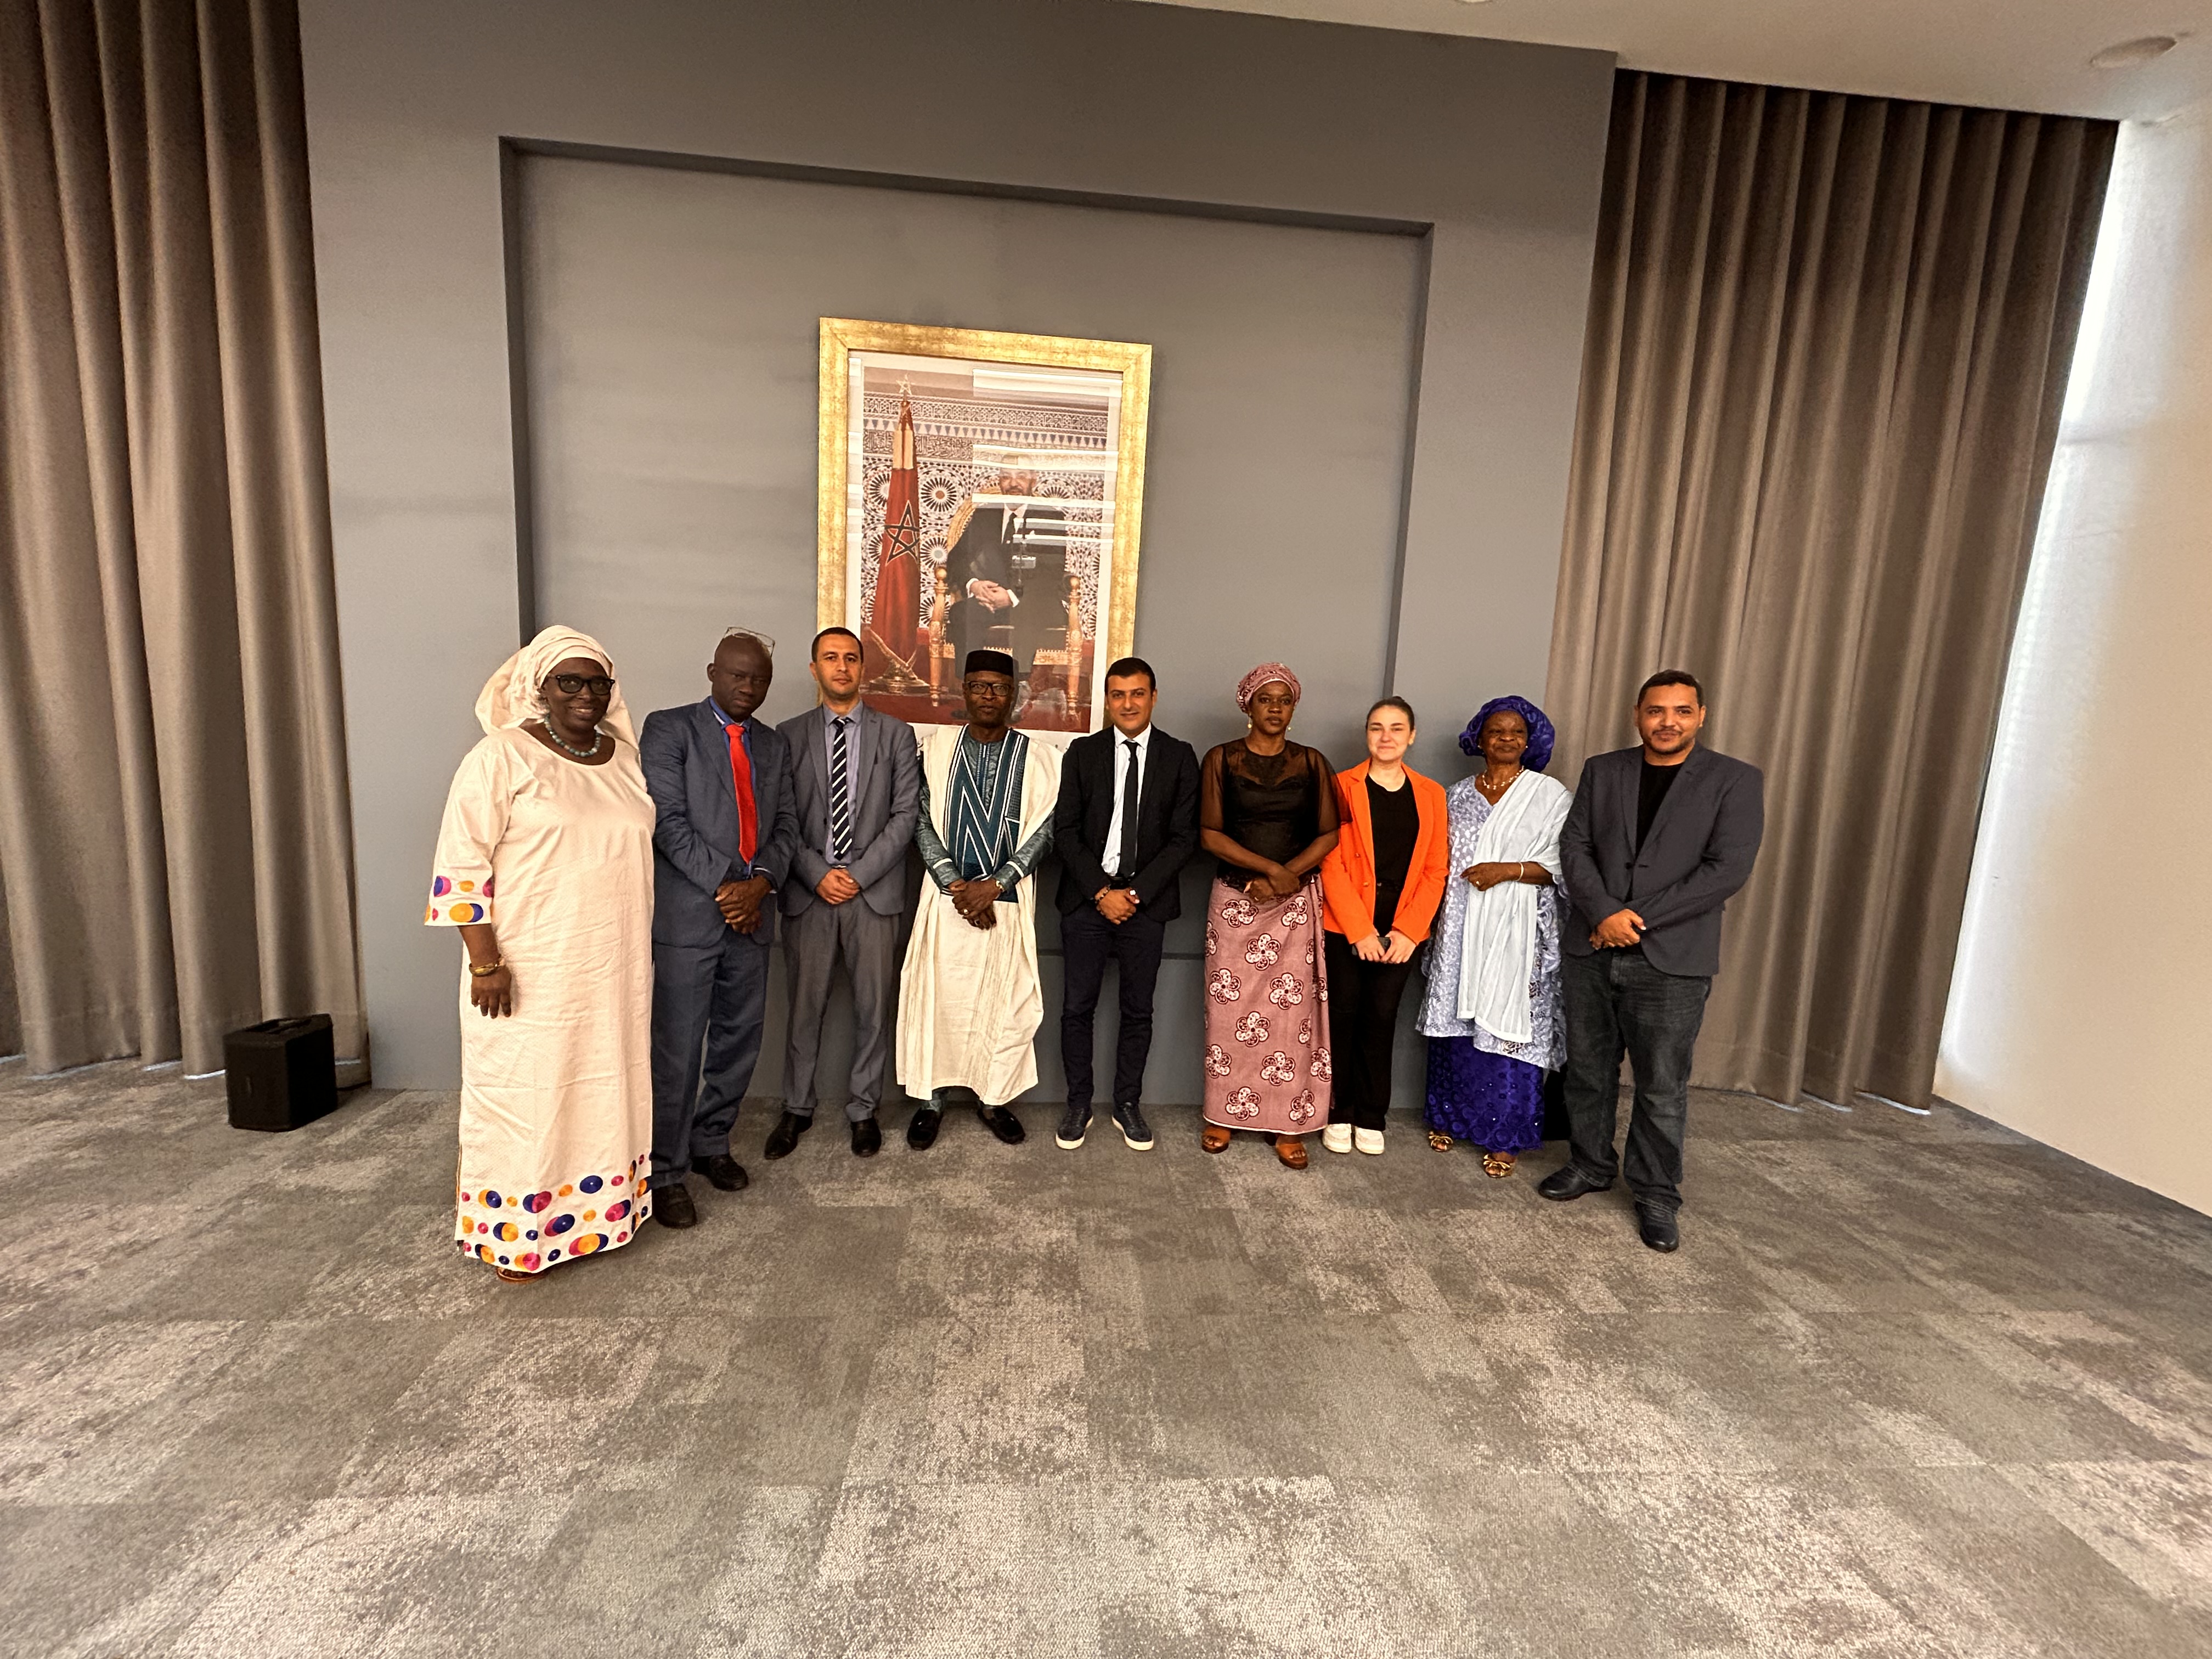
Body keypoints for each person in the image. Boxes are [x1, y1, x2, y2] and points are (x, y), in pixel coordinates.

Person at [428, 626, 655, 1282]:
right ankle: (518, 1238)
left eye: (598, 683)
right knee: (530, 1098)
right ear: (539, 686)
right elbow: (460, 867)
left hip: (612, 969)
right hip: (530, 969)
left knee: (605, 1089)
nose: (586, 694)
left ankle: (597, 1220)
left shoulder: (623, 758)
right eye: (570, 681)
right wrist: (485, 963)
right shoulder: (501, 757)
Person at [1542, 670, 1765, 1252]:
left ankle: (1656, 1193)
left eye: (1682, 711)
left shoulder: (1735, 780)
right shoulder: (1603, 770)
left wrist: (1631, 920)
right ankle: (1590, 1164)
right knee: (1587, 1070)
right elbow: (1575, 847)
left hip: (1671, 959)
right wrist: (1603, 913)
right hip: (1592, 948)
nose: (1668, 722)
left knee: (1662, 1085)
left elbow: (1725, 870)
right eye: (1656, 711)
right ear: (1637, 714)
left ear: (1701, 716)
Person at [640, 628, 799, 1229]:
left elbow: (786, 827)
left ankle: (711, 1143)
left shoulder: (773, 745)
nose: (748, 687)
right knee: (677, 1050)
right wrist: (731, 889)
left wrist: (759, 886)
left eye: (758, 678)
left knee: (738, 1041)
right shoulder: (669, 729)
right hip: (691, 919)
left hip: (753, 916)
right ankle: (665, 1171)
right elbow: (667, 822)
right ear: (712, 672)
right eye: (737, 675)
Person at [765, 627, 922, 1160]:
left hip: (872, 895)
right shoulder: (788, 736)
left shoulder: (896, 735)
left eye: (851, 658)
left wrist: (857, 873)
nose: (841, 667)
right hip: (810, 892)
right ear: (815, 669)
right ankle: (796, 1107)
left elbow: (905, 816)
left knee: (873, 1010)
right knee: (804, 1010)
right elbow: (782, 817)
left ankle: (863, 1109)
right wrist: (817, 873)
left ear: (863, 668)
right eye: (830, 658)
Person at [897, 649, 1063, 1148]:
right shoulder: (934, 750)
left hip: (1007, 901)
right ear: (963, 690)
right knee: (940, 1003)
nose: (989, 696)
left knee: (1004, 1005)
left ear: (1014, 695)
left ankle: (994, 1099)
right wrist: (957, 884)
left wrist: (995, 884)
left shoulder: (1041, 758)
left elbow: (1047, 829)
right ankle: (932, 1101)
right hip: (945, 900)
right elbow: (920, 820)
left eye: (999, 687)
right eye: (978, 686)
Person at [1049, 656, 1201, 1153]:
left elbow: (1184, 839)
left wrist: (1133, 895)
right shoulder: (1083, 753)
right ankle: (1078, 1103)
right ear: (1107, 701)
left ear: (1153, 697)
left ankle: (1127, 1104)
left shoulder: (1179, 757)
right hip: (1086, 901)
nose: (1128, 704)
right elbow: (1065, 831)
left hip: (1146, 905)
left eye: (1138, 694)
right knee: (1077, 1008)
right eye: (1118, 695)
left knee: (1138, 1010)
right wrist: (1101, 893)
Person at [1418, 697, 1574, 1178]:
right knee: (1455, 1020)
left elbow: (1565, 864)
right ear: (1479, 739)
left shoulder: (1550, 796)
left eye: (1516, 732)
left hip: (1517, 929)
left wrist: (1508, 870)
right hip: (1459, 925)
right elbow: (1436, 861)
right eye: (1496, 731)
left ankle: (1505, 1135)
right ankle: (1449, 1117)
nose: (1507, 739)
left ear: (1530, 741)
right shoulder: (1455, 796)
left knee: (1509, 1025)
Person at [1197, 664, 1340, 1169]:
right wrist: (1267, 870)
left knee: (1290, 1020)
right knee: (1228, 1013)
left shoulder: (1313, 762)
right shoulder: (1221, 759)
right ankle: (1223, 1114)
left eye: (1284, 700)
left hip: (1293, 905)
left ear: (1293, 707)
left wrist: (1286, 876)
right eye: (1266, 699)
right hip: (1235, 901)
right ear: (1248, 705)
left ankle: (1288, 1122)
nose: (1275, 708)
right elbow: (1210, 833)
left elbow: (1329, 833)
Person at [1318, 697, 1450, 1156]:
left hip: (1402, 930)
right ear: (1366, 734)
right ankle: (1339, 1111)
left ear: (1412, 736)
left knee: (1381, 1017)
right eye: (1377, 727)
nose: (1386, 736)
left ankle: (1372, 1115)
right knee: (1343, 1016)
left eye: (1396, 728)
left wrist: (1410, 931)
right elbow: (1330, 863)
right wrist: (1359, 930)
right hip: (1347, 926)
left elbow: (1436, 869)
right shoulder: (1340, 786)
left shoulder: (1432, 794)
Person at [943, 460, 1067, 670]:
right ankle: (971, 679)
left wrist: (1011, 597)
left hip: (1034, 602)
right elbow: (956, 560)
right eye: (1007, 477)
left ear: (1034, 480)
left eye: (1021, 476)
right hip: (989, 601)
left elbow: (1051, 573)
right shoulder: (985, 515)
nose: (1013, 483)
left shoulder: (1051, 518)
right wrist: (974, 585)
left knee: (1026, 614)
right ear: (1000, 481)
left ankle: (1020, 681)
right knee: (962, 612)